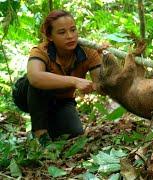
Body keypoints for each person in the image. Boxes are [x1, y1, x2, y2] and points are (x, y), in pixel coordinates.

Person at [13, 10, 106, 142]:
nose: (70, 36)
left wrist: (105, 57)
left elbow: (102, 86)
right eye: (62, 32)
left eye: (73, 30)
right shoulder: (41, 50)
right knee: (39, 82)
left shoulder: (88, 52)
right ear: (50, 36)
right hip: (27, 95)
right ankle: (40, 134)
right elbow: (35, 77)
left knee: (74, 133)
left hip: (61, 101)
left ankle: (49, 125)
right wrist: (74, 81)